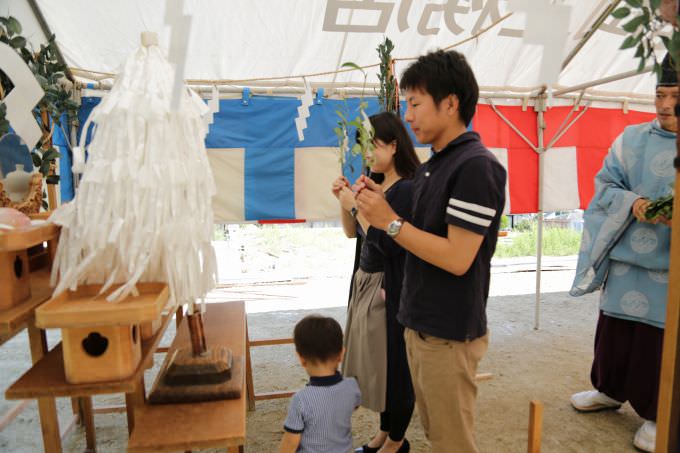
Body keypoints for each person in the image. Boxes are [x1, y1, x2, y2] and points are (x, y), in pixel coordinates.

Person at [354, 50, 506, 453]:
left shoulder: (475, 167)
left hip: (448, 331)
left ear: (451, 103)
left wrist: (388, 219)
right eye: (406, 104)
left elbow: (458, 258)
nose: (407, 115)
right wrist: (373, 212)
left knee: (453, 442)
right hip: (419, 324)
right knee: (437, 434)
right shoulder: (430, 168)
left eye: (415, 103)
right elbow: (406, 245)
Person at [569, 54, 676, 453]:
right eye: (659, 94)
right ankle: (609, 389)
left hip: (671, 270)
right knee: (614, 331)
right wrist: (633, 204)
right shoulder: (630, 140)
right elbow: (604, 188)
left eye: (674, 96)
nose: (664, 105)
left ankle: (656, 412)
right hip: (627, 256)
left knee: (656, 342)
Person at [331, 111, 420, 453]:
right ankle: (384, 434)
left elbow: (386, 242)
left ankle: (396, 441)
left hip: (390, 286)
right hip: (367, 281)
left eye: (373, 146)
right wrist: (345, 202)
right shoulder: (379, 185)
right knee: (380, 365)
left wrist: (356, 207)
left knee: (396, 366)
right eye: (363, 148)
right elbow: (354, 233)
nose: (367, 154)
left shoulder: (407, 189)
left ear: (394, 146)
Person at [279, 315, 361, 453]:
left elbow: (290, 442)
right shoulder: (352, 386)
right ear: (341, 354)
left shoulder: (300, 400)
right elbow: (355, 405)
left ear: (301, 358)